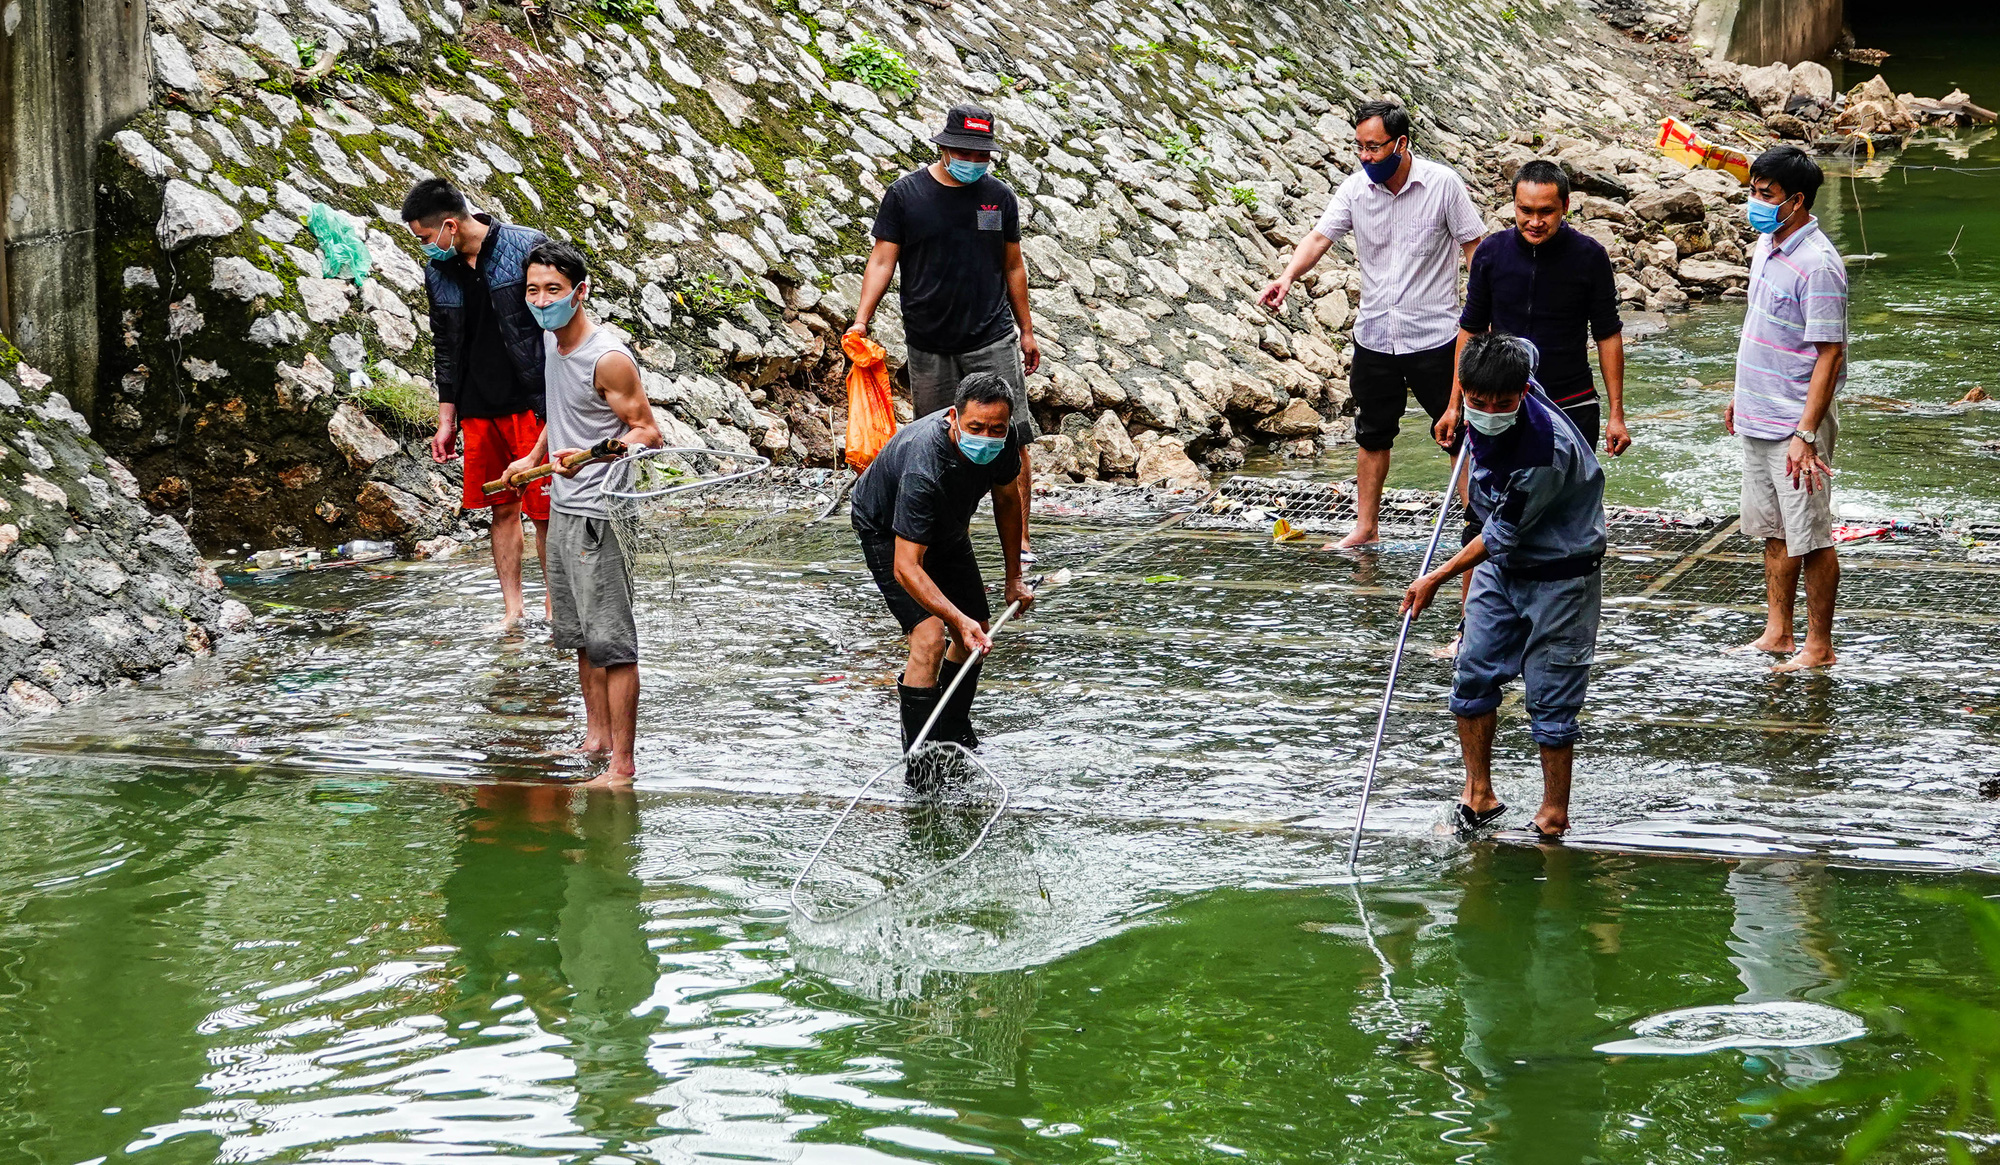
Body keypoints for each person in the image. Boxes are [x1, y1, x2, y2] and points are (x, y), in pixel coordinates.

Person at [1402, 334, 1606, 838]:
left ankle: (1553, 814)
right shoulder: (1510, 372)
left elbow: (1498, 534)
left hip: (1561, 574)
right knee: (1471, 674)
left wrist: (1436, 577)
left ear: (1523, 393)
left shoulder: (1543, 450)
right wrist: (1456, 411)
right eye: (1478, 401)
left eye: (1503, 404)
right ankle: (1479, 795)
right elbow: (1520, 343)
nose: (1490, 411)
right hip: (1503, 570)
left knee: (1551, 696)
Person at [1259, 98, 1486, 548]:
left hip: (1436, 336)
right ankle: (1366, 527)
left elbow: (1475, 249)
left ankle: (1476, 529)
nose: (1365, 156)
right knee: (1372, 433)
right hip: (1376, 335)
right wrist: (1287, 276)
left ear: (1401, 143)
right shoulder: (1354, 190)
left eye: (1374, 147)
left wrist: (1485, 316)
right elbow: (1320, 237)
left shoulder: (1443, 185)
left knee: (1458, 436)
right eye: (1359, 147)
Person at [499, 241, 662, 784]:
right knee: (581, 637)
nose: (542, 301)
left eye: (554, 290)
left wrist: (591, 458)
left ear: (580, 292)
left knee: (613, 643)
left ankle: (623, 764)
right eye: (533, 290)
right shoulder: (552, 343)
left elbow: (647, 434)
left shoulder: (607, 358)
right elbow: (564, 413)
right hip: (565, 508)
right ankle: (595, 739)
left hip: (602, 513)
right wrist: (536, 456)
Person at [848, 102, 1038, 553]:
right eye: (965, 154)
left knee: (1010, 438)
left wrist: (1026, 329)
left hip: (990, 335)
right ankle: (948, 538)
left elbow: (1013, 265)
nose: (973, 163)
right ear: (945, 146)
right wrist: (861, 321)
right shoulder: (906, 195)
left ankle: (1022, 539)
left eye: (981, 156)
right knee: (939, 439)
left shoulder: (998, 197)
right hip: (929, 341)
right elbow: (881, 260)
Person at [849, 372, 1031, 776]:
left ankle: (951, 735)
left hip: (947, 526)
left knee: (976, 634)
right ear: (954, 417)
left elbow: (1006, 497)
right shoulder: (923, 466)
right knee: (930, 636)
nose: (986, 436)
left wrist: (1013, 576)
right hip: (884, 527)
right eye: (975, 428)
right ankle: (920, 764)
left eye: (995, 429)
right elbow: (906, 566)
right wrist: (955, 618)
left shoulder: (1004, 443)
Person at [403, 178, 552, 627]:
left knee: (545, 511)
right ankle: (513, 609)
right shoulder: (439, 271)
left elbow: (558, 316)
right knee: (501, 508)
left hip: (532, 400)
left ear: (450, 225)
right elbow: (446, 347)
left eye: (427, 238)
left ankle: (553, 603)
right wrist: (446, 418)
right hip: (477, 406)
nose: (427, 248)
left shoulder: (527, 247)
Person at [1725, 145, 1846, 673]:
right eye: (1753, 190)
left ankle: (1819, 646)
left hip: (1797, 422)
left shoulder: (1819, 265)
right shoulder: (1766, 247)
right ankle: (1778, 632)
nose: (1755, 201)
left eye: (1765, 194)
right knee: (1774, 530)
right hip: (1758, 412)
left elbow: (1830, 352)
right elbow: (1762, 328)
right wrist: (1739, 394)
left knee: (1811, 536)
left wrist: (1806, 431)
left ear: (1796, 200)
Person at [1445, 159, 1630, 455]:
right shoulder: (1491, 253)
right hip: (1503, 403)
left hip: (1572, 401)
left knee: (1568, 497)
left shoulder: (1590, 257)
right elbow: (1471, 330)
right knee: (1502, 495)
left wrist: (1616, 415)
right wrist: (1455, 405)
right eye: (1525, 211)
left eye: (1546, 211)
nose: (1534, 222)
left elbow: (1607, 334)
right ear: (1514, 205)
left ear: (1565, 205)